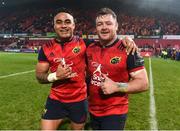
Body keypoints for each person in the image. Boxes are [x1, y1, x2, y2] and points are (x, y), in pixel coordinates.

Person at [36, 8, 138, 130]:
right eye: (59, 22)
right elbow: (39, 76)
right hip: (56, 100)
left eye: (68, 22)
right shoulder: (46, 48)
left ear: (73, 25)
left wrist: (127, 39)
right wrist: (54, 76)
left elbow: (108, 41)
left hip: (79, 100)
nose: (63, 25)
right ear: (54, 26)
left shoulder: (85, 44)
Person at [86, 8, 149, 130]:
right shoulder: (89, 47)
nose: (104, 27)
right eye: (100, 24)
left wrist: (116, 86)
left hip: (115, 112)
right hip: (93, 110)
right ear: (96, 28)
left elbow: (143, 83)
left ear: (116, 26)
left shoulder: (128, 50)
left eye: (108, 23)